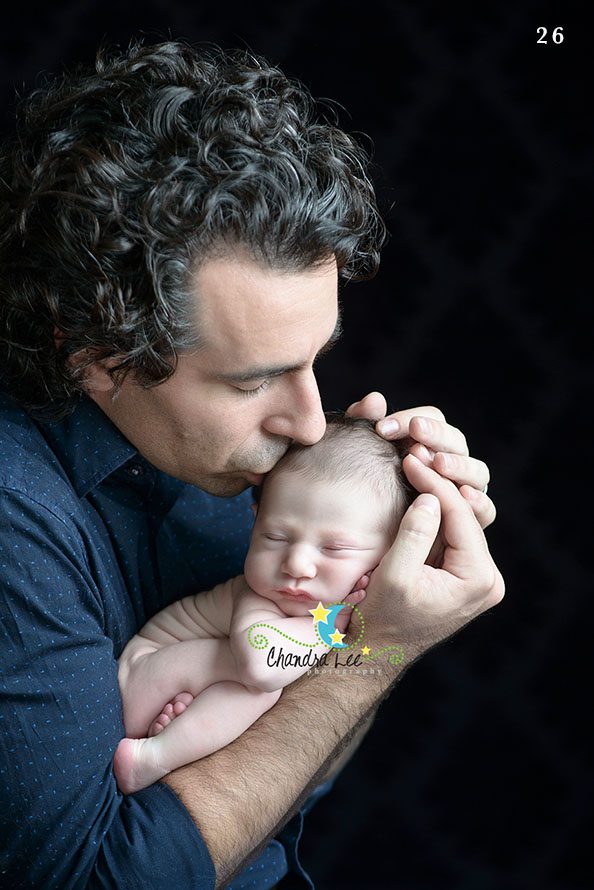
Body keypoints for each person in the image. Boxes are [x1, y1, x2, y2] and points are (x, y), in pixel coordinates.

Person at [0, 38, 503, 890]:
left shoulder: (241, 473)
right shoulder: (17, 521)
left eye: (314, 359)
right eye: (255, 378)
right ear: (91, 352)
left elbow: (294, 760)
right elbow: (95, 880)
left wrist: (374, 567)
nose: (309, 422)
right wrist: (368, 655)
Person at [114, 414, 414, 795]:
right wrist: (332, 627)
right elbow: (263, 666)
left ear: (388, 557)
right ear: (254, 524)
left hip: (178, 699)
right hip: (142, 679)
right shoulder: (256, 598)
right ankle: (150, 758)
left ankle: (176, 739)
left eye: (334, 548)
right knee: (263, 682)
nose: (296, 565)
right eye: (275, 537)